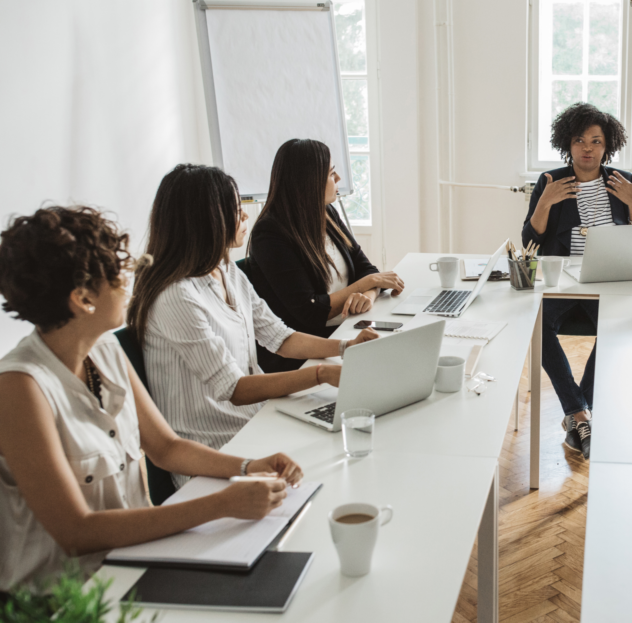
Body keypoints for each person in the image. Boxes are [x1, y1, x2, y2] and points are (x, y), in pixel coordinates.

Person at [0, 206, 304, 594]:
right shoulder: (19, 387)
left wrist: (247, 466)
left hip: (135, 560)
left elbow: (166, 447)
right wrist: (221, 504)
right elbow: (76, 532)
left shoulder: (104, 348)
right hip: (66, 599)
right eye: (118, 271)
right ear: (83, 299)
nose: (130, 278)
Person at [127, 164, 377, 481]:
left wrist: (346, 347)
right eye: (236, 209)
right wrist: (320, 374)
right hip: (216, 455)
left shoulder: (226, 270)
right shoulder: (176, 296)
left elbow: (278, 336)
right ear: (206, 221)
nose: (246, 216)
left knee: (354, 444)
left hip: (257, 425)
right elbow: (234, 389)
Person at [522, 102, 632, 458]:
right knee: (537, 324)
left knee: (620, 329)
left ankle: (577, 413)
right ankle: (579, 412)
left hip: (607, 281)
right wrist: (544, 203)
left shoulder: (620, 181)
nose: (588, 148)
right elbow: (530, 242)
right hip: (561, 281)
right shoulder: (550, 181)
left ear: (607, 146)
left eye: (596, 141)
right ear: (568, 144)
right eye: (580, 140)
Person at [247, 139, 404, 373]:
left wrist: (368, 296)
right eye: (331, 173)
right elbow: (310, 311)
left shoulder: (326, 212)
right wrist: (368, 283)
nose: (339, 179)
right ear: (308, 182)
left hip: (347, 328)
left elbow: (366, 268)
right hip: (310, 352)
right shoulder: (269, 233)